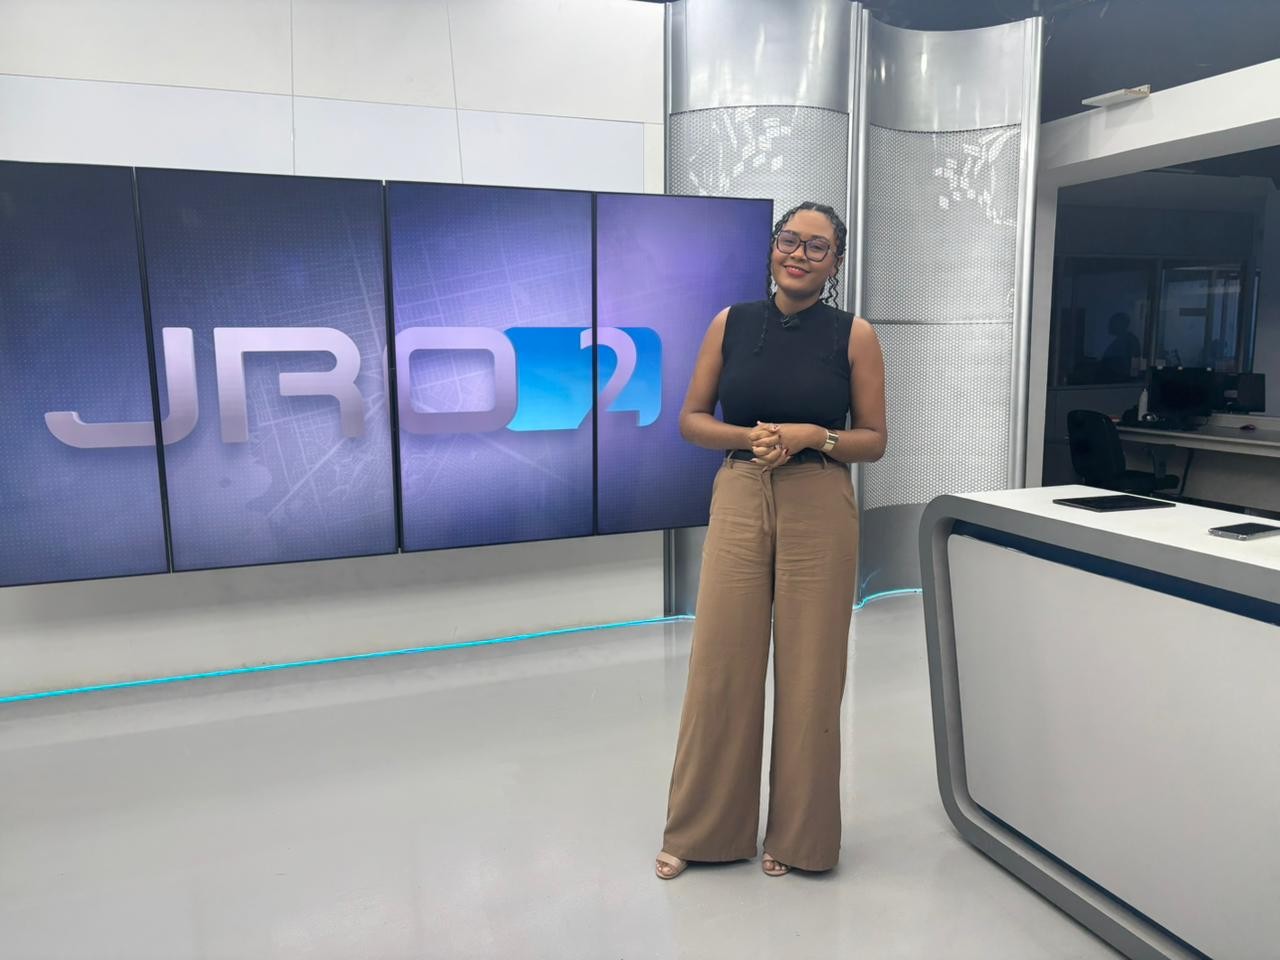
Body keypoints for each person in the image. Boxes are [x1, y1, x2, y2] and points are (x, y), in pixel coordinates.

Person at [654, 201, 887, 880]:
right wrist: (747, 437)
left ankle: (800, 838)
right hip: (740, 489)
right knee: (721, 661)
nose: (799, 255)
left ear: (835, 263)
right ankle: (703, 831)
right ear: (774, 247)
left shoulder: (854, 335)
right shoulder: (730, 323)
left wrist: (817, 436)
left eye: (817, 247)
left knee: (813, 670)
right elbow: (692, 419)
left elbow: (874, 439)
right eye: (790, 240)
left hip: (820, 499)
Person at [1099, 312, 1141, 382]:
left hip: (1120, 382)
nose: (1109, 326)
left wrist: (1131, 381)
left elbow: (1134, 364)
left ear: (1120, 325)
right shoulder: (1119, 341)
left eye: (1112, 323)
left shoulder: (1130, 341)